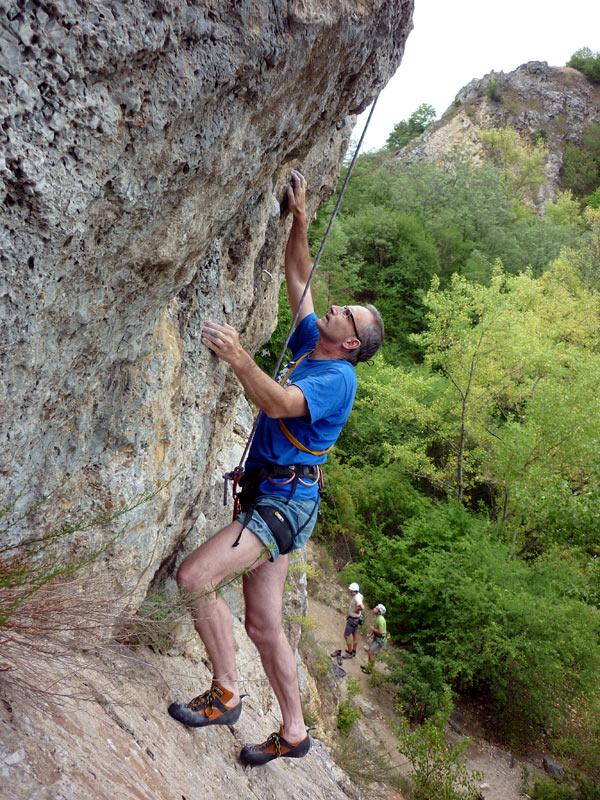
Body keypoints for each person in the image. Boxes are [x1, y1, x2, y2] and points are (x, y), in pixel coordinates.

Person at [167, 170, 384, 766]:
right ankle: (294, 731)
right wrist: (300, 218)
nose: (337, 308)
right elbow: (299, 275)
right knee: (265, 625)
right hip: (280, 496)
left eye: (350, 316)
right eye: (344, 307)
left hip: (283, 504)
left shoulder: (339, 378)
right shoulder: (315, 337)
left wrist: (239, 357)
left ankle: (226, 693)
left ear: (351, 344)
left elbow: (279, 404)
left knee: (194, 578)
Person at [361, 604, 387, 674]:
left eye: (376, 608)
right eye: (375, 607)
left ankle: (369, 670)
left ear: (379, 612)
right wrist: (370, 634)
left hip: (380, 640)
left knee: (370, 652)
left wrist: (372, 629)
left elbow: (380, 632)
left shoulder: (380, 620)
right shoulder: (378, 617)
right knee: (370, 652)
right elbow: (375, 627)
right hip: (377, 638)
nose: (374, 608)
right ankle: (369, 667)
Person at [343, 582, 364, 658]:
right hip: (356, 619)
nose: (350, 592)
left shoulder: (356, 598)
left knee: (346, 635)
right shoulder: (359, 595)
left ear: (354, 591)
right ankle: (354, 651)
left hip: (352, 620)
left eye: (351, 591)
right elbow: (362, 597)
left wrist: (356, 610)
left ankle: (350, 652)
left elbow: (362, 607)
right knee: (355, 635)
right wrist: (357, 610)